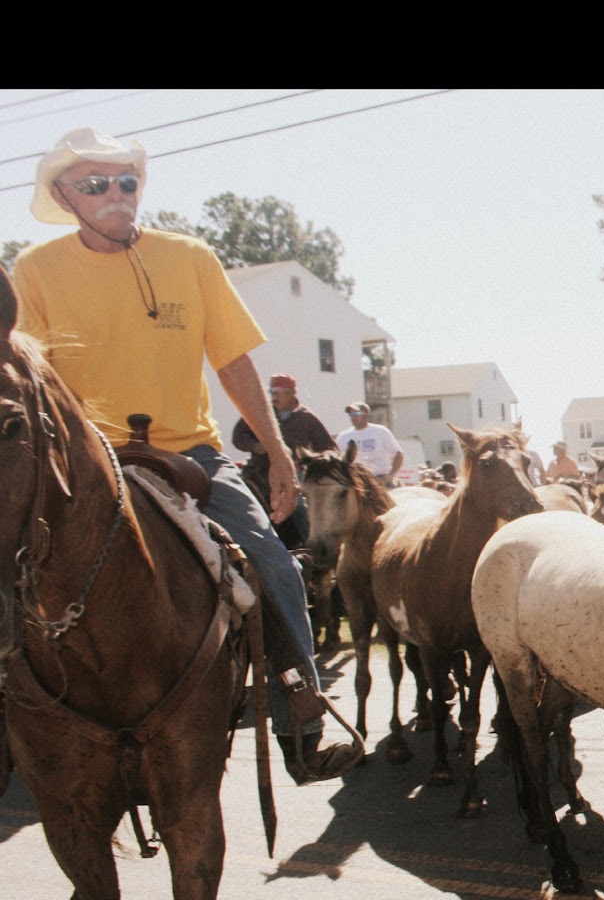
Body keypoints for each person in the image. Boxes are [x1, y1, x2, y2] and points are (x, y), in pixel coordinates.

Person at [11, 126, 362, 784]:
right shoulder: (35, 271)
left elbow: (231, 360)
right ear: (65, 194)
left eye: (126, 181)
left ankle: (302, 724)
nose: (115, 193)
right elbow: (30, 377)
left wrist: (279, 451)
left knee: (271, 560)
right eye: (95, 184)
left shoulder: (190, 257)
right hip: (86, 459)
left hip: (192, 452)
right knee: (13, 562)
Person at [233, 372, 336, 547]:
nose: (273, 396)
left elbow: (328, 448)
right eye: (271, 392)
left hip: (292, 473)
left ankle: (312, 549)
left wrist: (311, 462)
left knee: (300, 508)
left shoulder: (306, 418)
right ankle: (239, 548)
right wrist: (256, 446)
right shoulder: (260, 412)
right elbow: (239, 436)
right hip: (259, 471)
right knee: (238, 501)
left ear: (291, 393)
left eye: (277, 392)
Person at [335, 401, 404, 486]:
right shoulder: (344, 436)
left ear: (366, 415)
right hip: (356, 482)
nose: (353, 417)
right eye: (351, 414)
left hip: (380, 479)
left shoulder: (380, 431)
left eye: (357, 413)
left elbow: (398, 454)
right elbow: (337, 459)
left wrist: (390, 476)